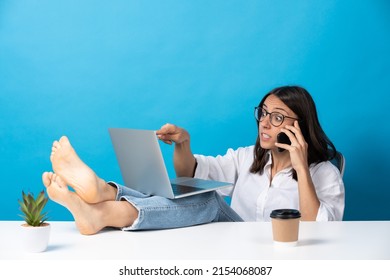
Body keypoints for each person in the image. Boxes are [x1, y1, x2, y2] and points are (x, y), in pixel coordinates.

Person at [42, 85, 345, 235]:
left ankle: (106, 205)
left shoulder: (324, 174)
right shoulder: (247, 158)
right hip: (233, 242)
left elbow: (319, 228)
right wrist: (183, 144)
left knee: (210, 202)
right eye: (263, 113)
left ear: (299, 126)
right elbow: (192, 174)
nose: (264, 123)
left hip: (279, 252)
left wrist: (302, 168)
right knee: (187, 191)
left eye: (276, 117)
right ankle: (104, 196)